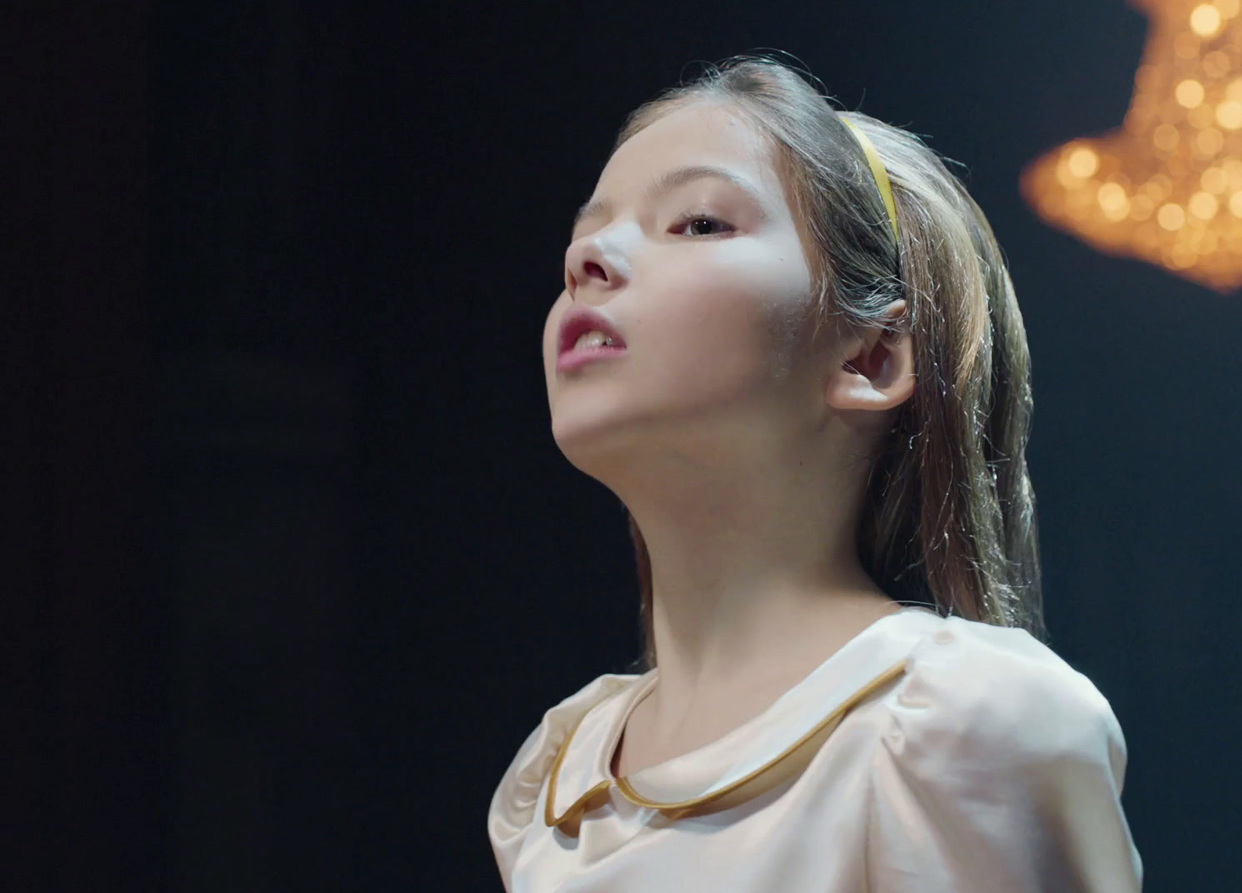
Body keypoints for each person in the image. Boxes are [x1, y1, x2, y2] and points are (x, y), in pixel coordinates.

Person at [487, 55, 1143, 892]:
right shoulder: (555, 781)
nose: (590, 257)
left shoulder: (959, 723)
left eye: (696, 223)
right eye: (585, 235)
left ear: (868, 357)